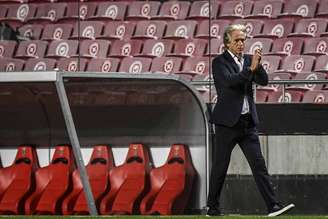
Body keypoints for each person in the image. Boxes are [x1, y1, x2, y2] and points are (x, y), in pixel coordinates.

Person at [207, 24, 295, 217]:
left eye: (243, 39)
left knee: (259, 166)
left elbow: (264, 81)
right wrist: (251, 69)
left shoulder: (249, 60)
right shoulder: (218, 63)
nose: (241, 43)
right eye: (237, 40)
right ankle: (212, 208)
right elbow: (230, 83)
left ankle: (273, 206)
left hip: (247, 123)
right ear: (227, 42)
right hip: (226, 124)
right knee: (220, 167)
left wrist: (258, 65)